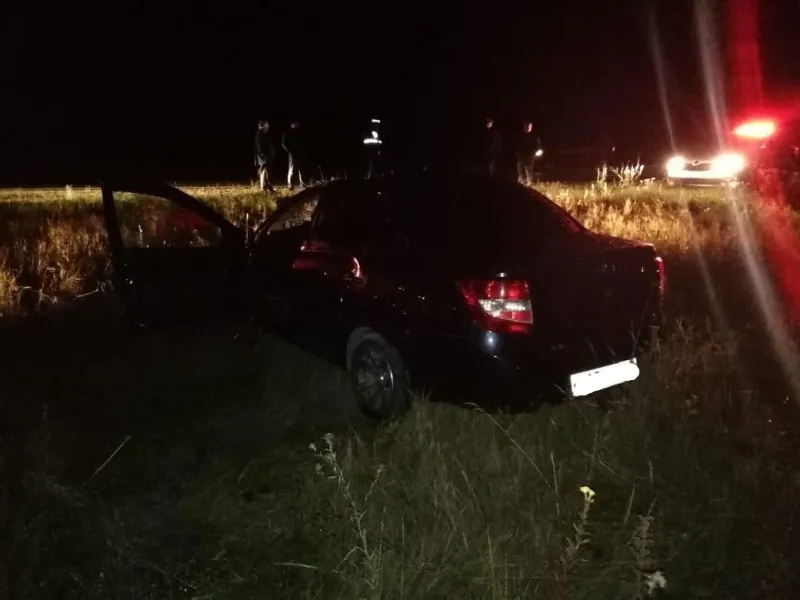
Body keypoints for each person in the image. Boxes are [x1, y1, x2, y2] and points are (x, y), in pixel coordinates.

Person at [282, 120, 308, 190]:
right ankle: (290, 184)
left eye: (298, 123)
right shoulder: (287, 132)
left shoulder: (299, 132)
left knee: (301, 168)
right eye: (296, 123)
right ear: (292, 124)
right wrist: (290, 152)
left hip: (300, 154)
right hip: (292, 154)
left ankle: (303, 183)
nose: (298, 124)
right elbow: (283, 143)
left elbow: (303, 142)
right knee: (292, 169)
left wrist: (303, 151)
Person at [254, 120, 276, 192]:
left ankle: (267, 187)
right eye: (267, 125)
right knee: (264, 172)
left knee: (267, 173)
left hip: (266, 158)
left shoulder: (262, 134)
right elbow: (260, 148)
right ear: (263, 126)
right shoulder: (259, 134)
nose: (268, 127)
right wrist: (265, 157)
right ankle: (264, 188)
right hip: (264, 158)